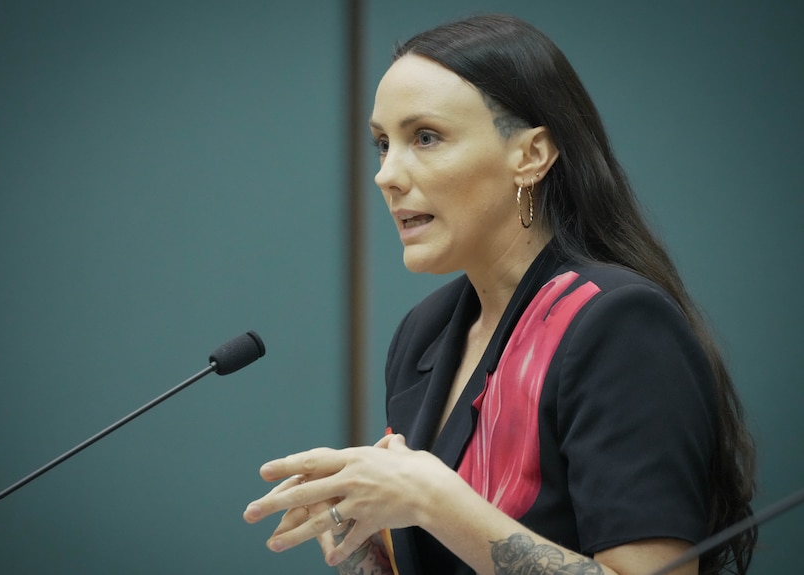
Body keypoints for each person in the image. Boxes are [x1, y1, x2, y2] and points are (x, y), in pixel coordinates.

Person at [243, 14, 757, 575]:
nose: (386, 174)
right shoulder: (426, 333)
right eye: (383, 144)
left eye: (426, 137)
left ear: (531, 155)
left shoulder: (617, 323)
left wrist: (432, 500)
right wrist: (360, 541)